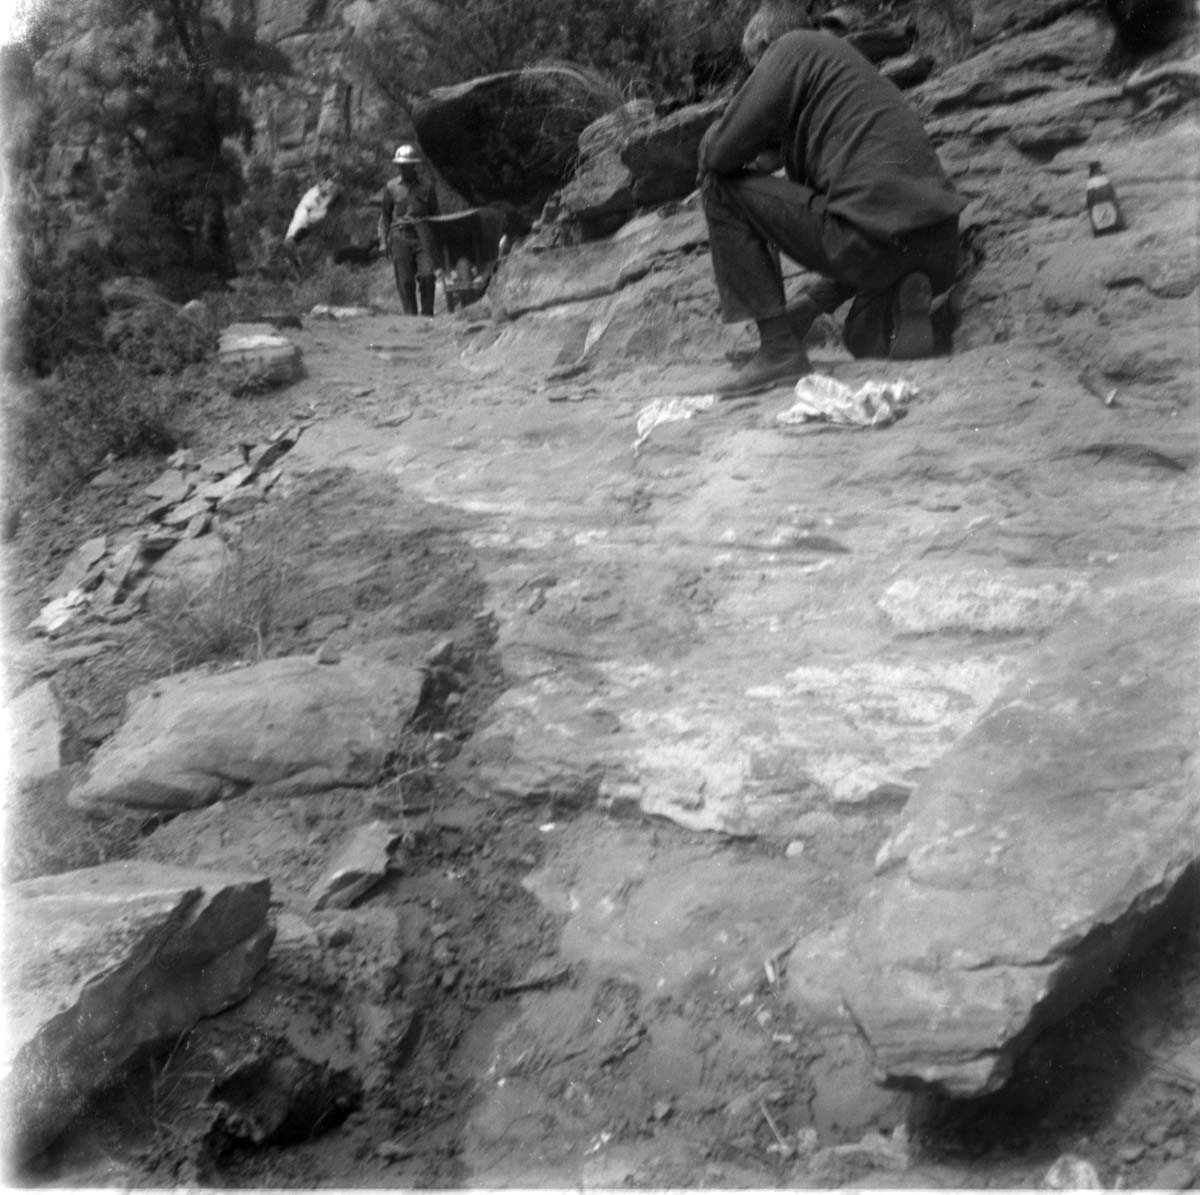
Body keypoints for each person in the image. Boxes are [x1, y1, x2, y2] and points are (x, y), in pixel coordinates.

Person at [698, 2, 966, 397]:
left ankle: (778, 350)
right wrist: (811, 304)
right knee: (859, 337)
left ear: (765, 44)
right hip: (938, 244)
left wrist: (728, 139)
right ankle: (908, 302)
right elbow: (868, 212)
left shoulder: (790, 47)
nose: (756, 79)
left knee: (716, 183)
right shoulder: (847, 76)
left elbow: (717, 154)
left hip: (872, 242)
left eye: (755, 66)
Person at [378, 144, 440, 316]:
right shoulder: (391, 187)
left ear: (414, 165)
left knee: (428, 275)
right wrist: (383, 242)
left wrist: (438, 239)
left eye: (408, 164)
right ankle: (410, 316)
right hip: (400, 235)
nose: (404, 168)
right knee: (405, 280)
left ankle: (427, 313)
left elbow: (435, 214)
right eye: (401, 165)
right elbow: (385, 216)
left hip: (423, 235)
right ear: (398, 166)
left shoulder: (427, 186)